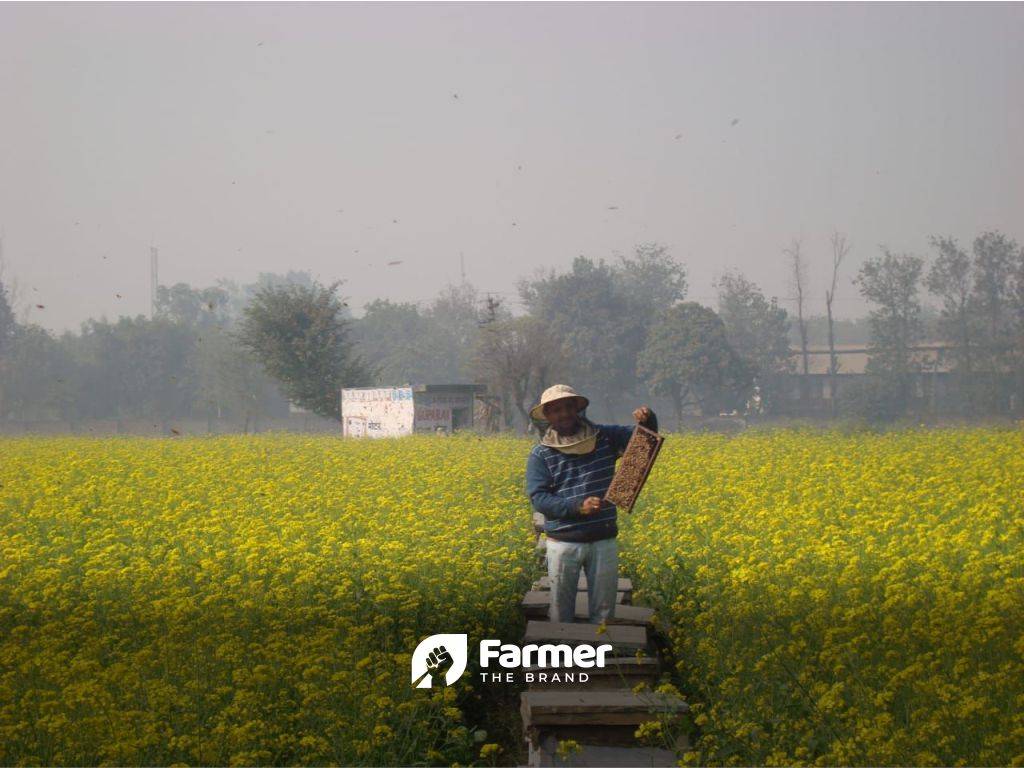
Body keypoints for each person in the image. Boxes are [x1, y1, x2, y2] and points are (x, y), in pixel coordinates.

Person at [524, 384, 658, 624]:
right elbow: (540, 499)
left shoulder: (605, 436)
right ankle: (562, 655)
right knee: (560, 612)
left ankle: (603, 657)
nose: (563, 414)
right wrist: (577, 507)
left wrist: (648, 420)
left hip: (603, 539)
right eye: (555, 410)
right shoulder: (540, 454)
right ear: (547, 416)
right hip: (563, 542)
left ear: (577, 408)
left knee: (605, 613)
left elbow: (644, 443)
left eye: (567, 407)